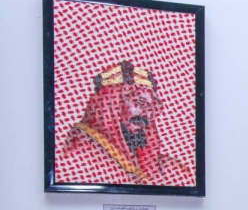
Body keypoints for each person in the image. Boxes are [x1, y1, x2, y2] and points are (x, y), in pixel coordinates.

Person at [56, 60, 194, 187]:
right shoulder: (83, 152)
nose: (147, 115)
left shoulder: (162, 165)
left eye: (151, 108)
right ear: (112, 105)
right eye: (139, 103)